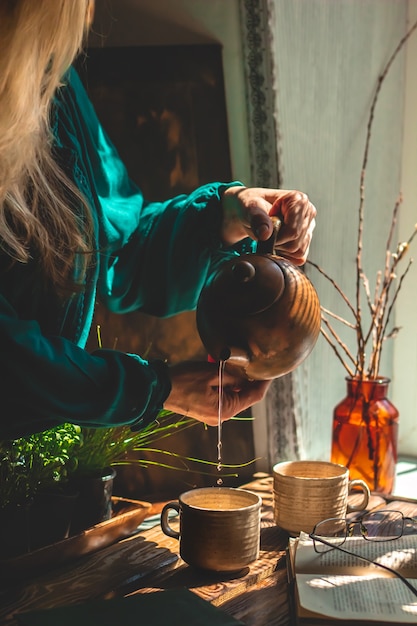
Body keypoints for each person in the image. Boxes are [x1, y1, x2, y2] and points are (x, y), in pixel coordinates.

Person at [0, 0, 316, 440]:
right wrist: (152, 388)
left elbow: (118, 249)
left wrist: (227, 214)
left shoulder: (54, 82)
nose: (90, 13)